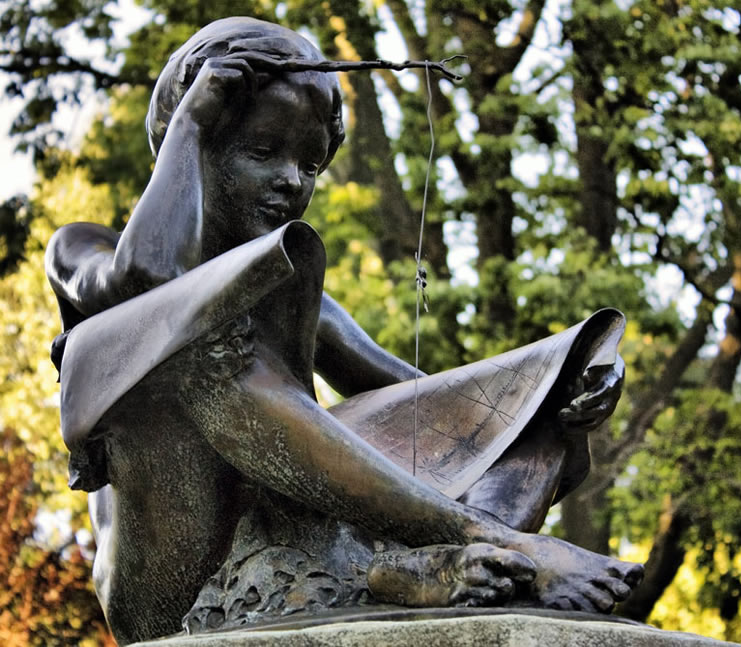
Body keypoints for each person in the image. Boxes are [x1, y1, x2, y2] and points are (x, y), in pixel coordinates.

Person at [45, 18, 641, 645]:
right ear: (189, 148)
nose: (290, 180)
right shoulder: (84, 249)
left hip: (309, 553)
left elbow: (433, 406)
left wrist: (558, 397)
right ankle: (489, 541)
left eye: (309, 163)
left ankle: (424, 567)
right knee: (191, 335)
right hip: (173, 579)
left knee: (528, 418)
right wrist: (192, 120)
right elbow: (150, 277)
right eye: (261, 151)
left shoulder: (296, 293)